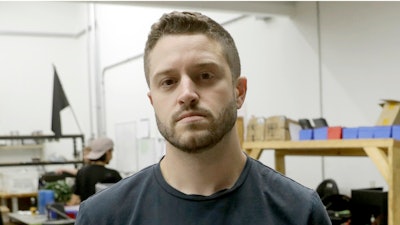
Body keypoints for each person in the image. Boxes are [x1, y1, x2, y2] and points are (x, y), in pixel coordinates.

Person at [75, 11, 331, 224]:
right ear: (153, 101)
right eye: (168, 81)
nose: (187, 94)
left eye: (205, 75)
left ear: (238, 91)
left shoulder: (300, 213)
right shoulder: (102, 217)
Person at [68, 137, 122, 205]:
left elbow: (74, 198)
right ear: (108, 152)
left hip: (86, 213)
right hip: (105, 214)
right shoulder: (113, 174)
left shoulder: (81, 172)